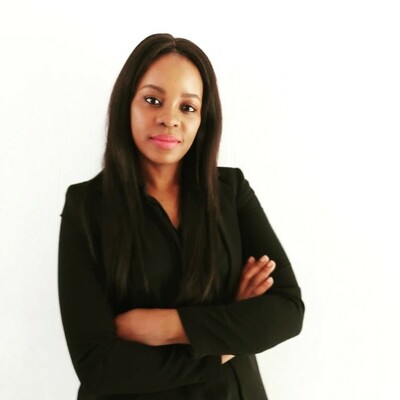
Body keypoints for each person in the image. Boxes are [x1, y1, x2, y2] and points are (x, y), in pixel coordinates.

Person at [58, 33, 304, 400]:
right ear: (127, 104)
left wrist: (167, 326)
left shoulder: (231, 191)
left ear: (204, 117)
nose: (169, 119)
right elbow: (98, 365)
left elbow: (286, 310)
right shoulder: (87, 207)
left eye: (187, 107)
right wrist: (226, 339)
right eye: (152, 100)